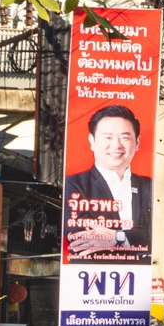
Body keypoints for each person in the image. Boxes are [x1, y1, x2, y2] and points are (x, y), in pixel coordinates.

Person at [61, 104, 152, 261]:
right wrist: (134, 238)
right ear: (92, 141)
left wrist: (117, 237)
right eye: (108, 137)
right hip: (89, 278)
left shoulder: (150, 187)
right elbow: (77, 236)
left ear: (137, 142)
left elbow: (157, 235)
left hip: (140, 278)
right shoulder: (74, 184)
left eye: (125, 137)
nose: (116, 145)